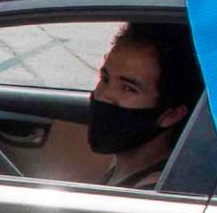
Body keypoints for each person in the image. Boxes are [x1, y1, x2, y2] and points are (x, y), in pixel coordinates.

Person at [87, 21, 204, 189]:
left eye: (128, 88)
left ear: (171, 115)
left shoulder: (152, 192)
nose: (104, 95)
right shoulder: (126, 168)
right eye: (105, 79)